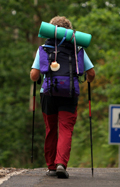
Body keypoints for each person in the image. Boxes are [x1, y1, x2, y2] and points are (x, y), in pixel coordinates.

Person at [30, 16, 95, 178]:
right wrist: (86, 80)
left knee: (51, 129)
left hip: (48, 93)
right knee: (66, 129)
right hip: (70, 93)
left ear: (51, 31)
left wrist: (39, 78)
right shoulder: (77, 48)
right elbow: (91, 73)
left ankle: (51, 166)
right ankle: (61, 163)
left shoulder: (44, 48)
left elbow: (33, 75)